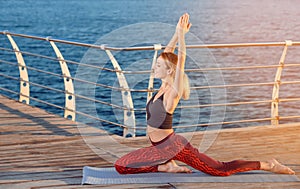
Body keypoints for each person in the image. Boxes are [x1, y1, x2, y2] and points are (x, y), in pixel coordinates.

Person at [114, 13, 295, 176]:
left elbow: (180, 60)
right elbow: (167, 54)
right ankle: (167, 166)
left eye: (158, 66)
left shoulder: (172, 94)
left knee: (220, 169)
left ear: (170, 71)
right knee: (121, 166)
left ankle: (267, 165)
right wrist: (177, 34)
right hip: (160, 148)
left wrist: (183, 38)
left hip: (173, 147)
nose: (154, 68)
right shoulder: (162, 85)